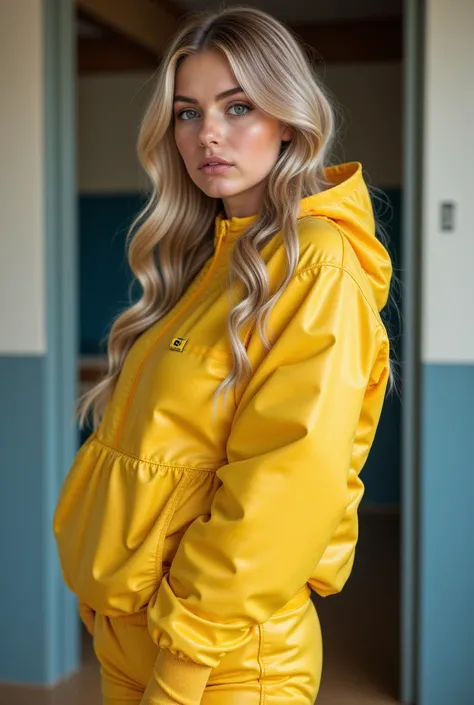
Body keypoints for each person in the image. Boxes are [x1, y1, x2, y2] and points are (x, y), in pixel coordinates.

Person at [54, 6, 393, 704]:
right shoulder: (207, 258)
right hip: (131, 630)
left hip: (224, 661)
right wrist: (104, 599)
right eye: (187, 112)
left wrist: (183, 664)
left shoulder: (318, 265)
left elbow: (285, 486)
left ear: (289, 120)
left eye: (237, 106)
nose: (207, 132)